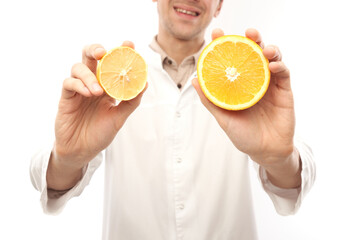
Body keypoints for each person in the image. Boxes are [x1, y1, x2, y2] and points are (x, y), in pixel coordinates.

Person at [30, 0, 315, 239]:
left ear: (219, 5)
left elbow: (295, 179)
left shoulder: (249, 83)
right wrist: (67, 158)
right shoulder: (112, 81)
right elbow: (48, 182)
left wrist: (279, 159)